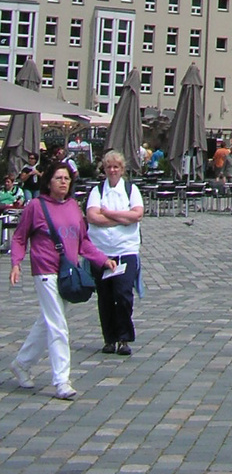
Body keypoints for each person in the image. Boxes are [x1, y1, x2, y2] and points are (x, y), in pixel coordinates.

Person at [10, 160, 117, 398]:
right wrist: (16, 263)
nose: (63, 182)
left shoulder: (73, 207)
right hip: (45, 270)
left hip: (68, 273)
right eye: (58, 178)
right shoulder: (36, 206)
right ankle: (62, 381)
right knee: (58, 325)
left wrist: (102, 260)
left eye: (67, 178)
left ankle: (22, 364)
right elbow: (19, 238)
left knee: (47, 322)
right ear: (49, 181)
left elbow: (83, 242)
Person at [85, 150, 143, 357]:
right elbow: (92, 216)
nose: (112, 170)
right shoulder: (97, 191)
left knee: (123, 294)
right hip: (101, 252)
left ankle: (124, 337)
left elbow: (137, 214)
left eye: (116, 167)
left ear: (122, 169)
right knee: (105, 296)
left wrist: (108, 213)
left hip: (125, 251)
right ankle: (109, 338)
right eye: (109, 167)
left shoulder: (131, 189)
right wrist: (121, 218)